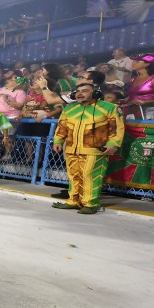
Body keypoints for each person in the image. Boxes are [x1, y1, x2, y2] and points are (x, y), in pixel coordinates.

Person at [51, 79, 125, 215]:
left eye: (84, 91)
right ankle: (73, 201)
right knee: (73, 176)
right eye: (78, 91)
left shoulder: (109, 108)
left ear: (95, 93)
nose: (80, 94)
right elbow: (62, 127)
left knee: (91, 176)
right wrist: (57, 141)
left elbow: (117, 129)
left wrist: (113, 144)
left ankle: (91, 203)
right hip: (72, 148)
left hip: (95, 150)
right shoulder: (69, 109)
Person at [124, 52, 154, 120]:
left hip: (153, 115)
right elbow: (132, 96)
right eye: (133, 61)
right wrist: (124, 100)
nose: (133, 63)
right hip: (134, 114)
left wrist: (145, 101)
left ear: (147, 64)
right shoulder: (133, 79)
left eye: (137, 61)